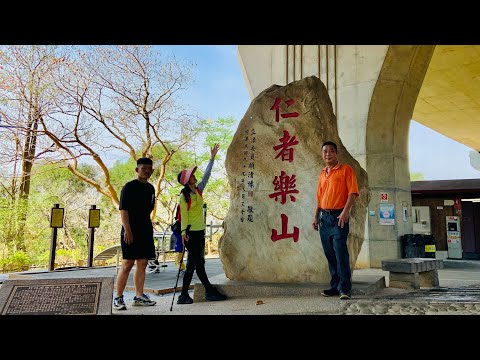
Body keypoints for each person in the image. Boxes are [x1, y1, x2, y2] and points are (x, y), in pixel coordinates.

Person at [176, 143, 227, 304]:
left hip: (199, 232)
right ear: (186, 180)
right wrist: (184, 233)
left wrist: (212, 158)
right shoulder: (184, 196)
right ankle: (209, 291)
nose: (194, 176)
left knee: (192, 264)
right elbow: (183, 215)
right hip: (190, 233)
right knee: (199, 264)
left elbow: (207, 175)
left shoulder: (197, 190)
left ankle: (184, 295)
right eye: (191, 175)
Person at [312, 141, 359, 300]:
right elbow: (319, 198)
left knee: (340, 253)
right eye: (325, 151)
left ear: (336, 153)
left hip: (339, 217)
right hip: (323, 218)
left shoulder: (346, 170)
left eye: (331, 151)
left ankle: (345, 288)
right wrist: (315, 217)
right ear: (322, 154)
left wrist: (345, 213)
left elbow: (352, 193)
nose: (328, 154)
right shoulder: (322, 173)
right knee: (330, 254)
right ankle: (334, 286)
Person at [113, 157, 157, 310]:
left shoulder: (151, 188)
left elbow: (150, 209)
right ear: (137, 169)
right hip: (130, 229)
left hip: (145, 228)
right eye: (143, 168)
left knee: (143, 263)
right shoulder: (129, 187)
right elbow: (123, 210)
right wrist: (127, 230)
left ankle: (139, 296)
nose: (146, 171)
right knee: (127, 264)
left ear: (152, 170)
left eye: (148, 168)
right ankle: (118, 297)